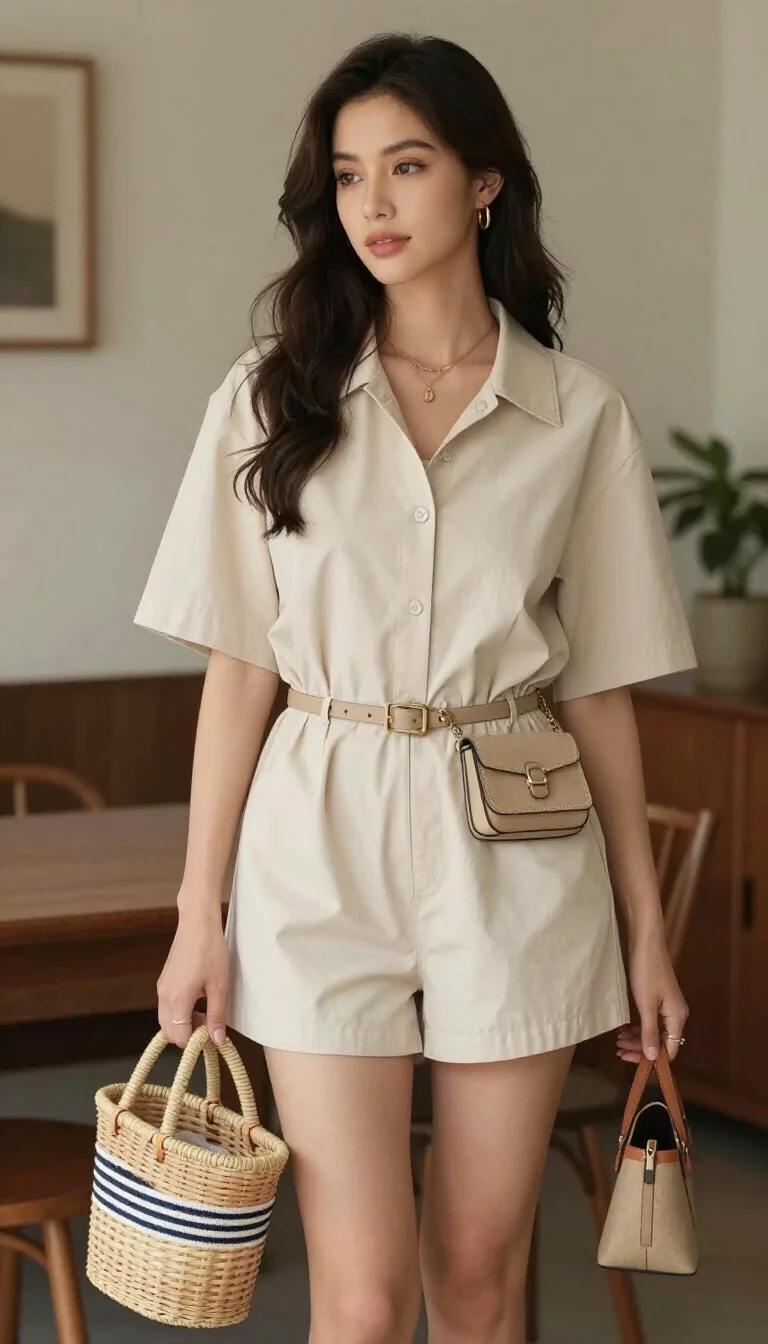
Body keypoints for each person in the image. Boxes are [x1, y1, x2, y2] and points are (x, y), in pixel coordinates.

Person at [134, 31, 696, 1344]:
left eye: (408, 165)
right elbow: (239, 669)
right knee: (365, 1294)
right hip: (316, 836)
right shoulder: (272, 400)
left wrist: (648, 927)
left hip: (519, 834)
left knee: (482, 1275)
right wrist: (194, 912)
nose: (373, 205)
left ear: (483, 182)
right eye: (346, 176)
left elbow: (603, 689)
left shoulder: (577, 414)